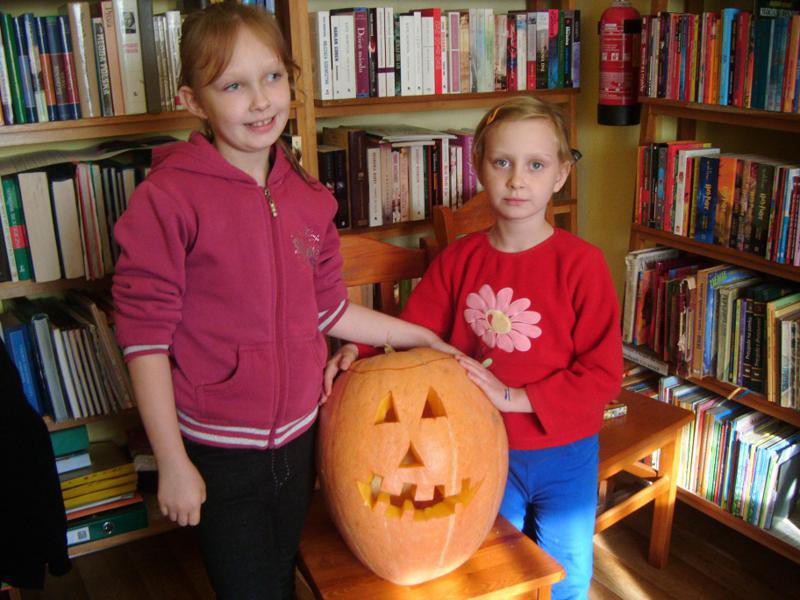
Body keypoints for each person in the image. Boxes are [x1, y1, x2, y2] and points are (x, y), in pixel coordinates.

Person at [111, 4, 455, 599]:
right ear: (194, 101)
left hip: (301, 438)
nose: (260, 100)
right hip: (219, 449)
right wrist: (172, 462)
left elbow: (329, 310)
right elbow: (145, 340)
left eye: (272, 77)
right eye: (233, 86)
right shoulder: (167, 200)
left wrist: (418, 336)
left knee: (279, 573)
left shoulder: (309, 197)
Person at [324, 96, 623, 599]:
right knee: (494, 567)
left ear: (561, 175)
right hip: (475, 446)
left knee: (567, 571)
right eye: (502, 162)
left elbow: (602, 375)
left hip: (565, 450)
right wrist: (360, 349)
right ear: (479, 167)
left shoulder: (582, 264)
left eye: (535, 165)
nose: (517, 180)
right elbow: (413, 329)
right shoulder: (459, 259)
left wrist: (515, 397)